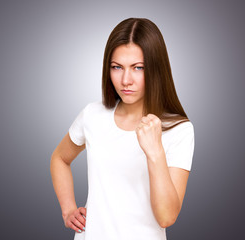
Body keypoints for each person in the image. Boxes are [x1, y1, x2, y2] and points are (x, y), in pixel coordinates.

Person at [50, 18, 195, 240]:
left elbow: (166, 217)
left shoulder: (179, 129)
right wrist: (68, 209)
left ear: (156, 69)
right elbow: (60, 158)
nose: (126, 80)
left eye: (138, 68)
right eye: (117, 67)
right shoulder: (92, 114)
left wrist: (155, 151)